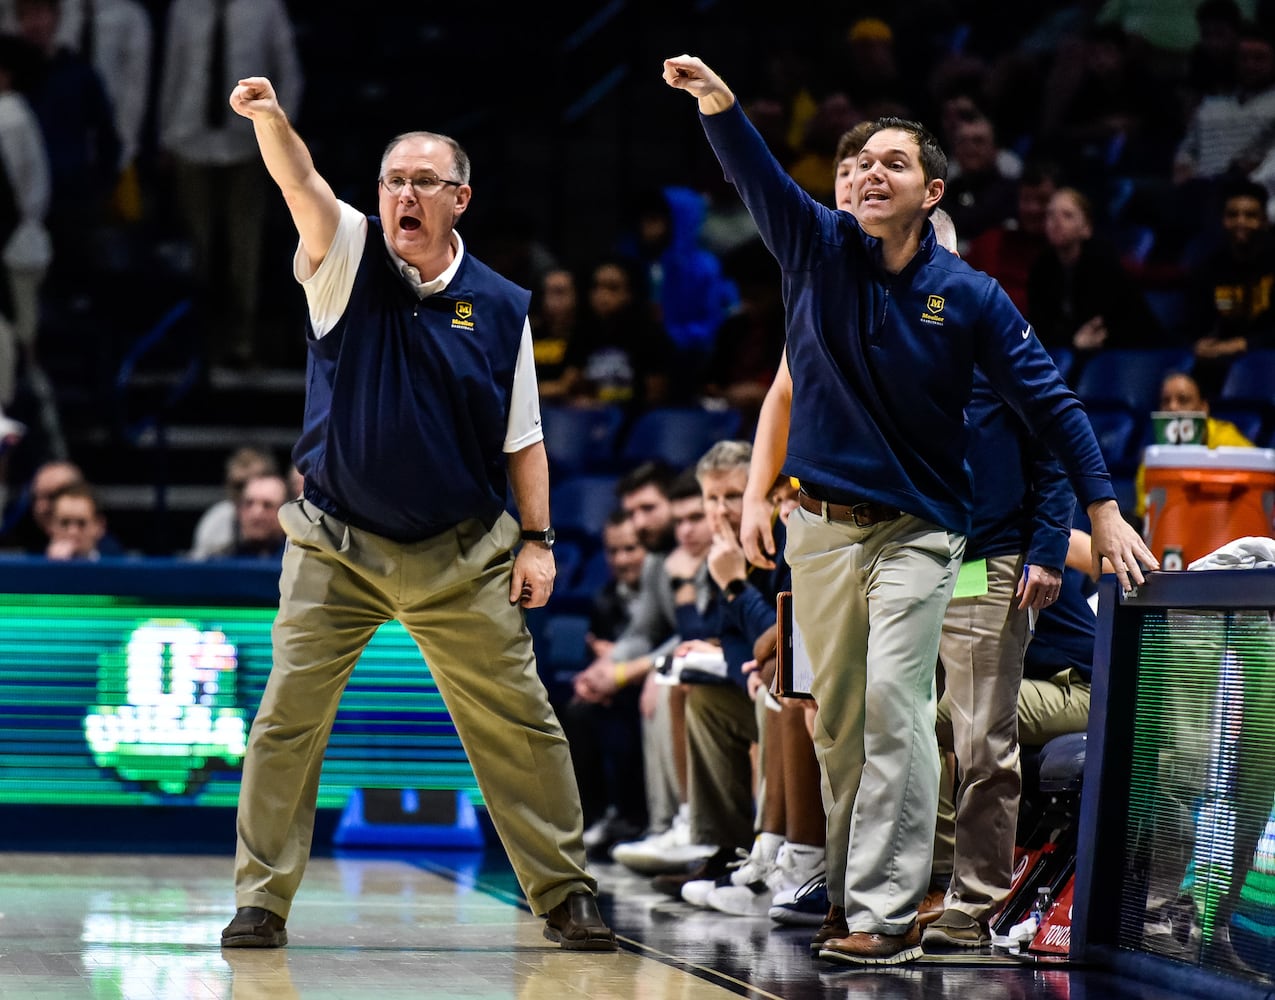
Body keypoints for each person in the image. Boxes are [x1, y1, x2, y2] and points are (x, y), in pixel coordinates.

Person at [663, 53, 1154, 966]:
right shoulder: (812, 249)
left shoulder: (968, 297)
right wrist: (720, 109)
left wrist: (1103, 505)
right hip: (817, 528)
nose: (865, 174)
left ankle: (886, 916)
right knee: (839, 722)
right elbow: (757, 177)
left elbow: (1052, 408)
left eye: (890, 162)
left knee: (897, 704)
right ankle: (850, 891)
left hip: (923, 534)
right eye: (853, 164)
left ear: (930, 191)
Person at [219, 76, 614, 951]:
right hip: (336, 543)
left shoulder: (505, 306)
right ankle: (261, 901)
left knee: (522, 725)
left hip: (463, 552)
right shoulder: (345, 256)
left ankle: (563, 893)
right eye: (393, 179)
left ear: (459, 199)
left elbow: (525, 439)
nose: (403, 193)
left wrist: (539, 542)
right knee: (285, 718)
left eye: (423, 181)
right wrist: (271, 121)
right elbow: (299, 184)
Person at [158, 0, 302, 369]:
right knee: (196, 247)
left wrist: (281, 136)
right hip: (189, 137)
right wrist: (164, 134)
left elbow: (288, 72)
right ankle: (196, 339)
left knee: (244, 247)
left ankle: (241, 340)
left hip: (248, 142)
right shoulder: (184, 8)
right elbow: (173, 68)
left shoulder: (265, 8)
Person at [1026, 186, 1161, 378]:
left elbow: (1102, 325)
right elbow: (1038, 326)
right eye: (1050, 215)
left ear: (1086, 228)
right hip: (1074, 350)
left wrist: (1071, 339)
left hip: (1131, 350)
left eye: (1067, 215)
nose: (1056, 222)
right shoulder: (1042, 267)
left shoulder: (1103, 262)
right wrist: (1072, 339)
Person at [1186, 177, 1275, 398]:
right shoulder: (1208, 268)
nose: (1240, 222)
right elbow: (1194, 323)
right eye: (1232, 215)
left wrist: (1241, 344)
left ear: (1265, 221)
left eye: (1250, 215)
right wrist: (1199, 343)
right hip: (1220, 363)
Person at [1133, 371, 1256, 519]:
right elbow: (1145, 512)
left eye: (1183, 400)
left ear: (1203, 407)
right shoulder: (1154, 456)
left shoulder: (1227, 440)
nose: (1172, 407)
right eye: (1166, 401)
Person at [188, 445, 279, 560]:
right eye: (238, 486)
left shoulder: (292, 523)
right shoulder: (216, 521)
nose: (246, 492)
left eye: (267, 505)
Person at [208, 471, 287, 561]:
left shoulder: (300, 565)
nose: (256, 513)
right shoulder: (219, 561)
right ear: (239, 510)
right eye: (249, 504)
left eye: (267, 505)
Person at [43, 480, 105, 559]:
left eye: (81, 523)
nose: (72, 531)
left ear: (99, 526)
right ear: (50, 525)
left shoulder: (117, 569)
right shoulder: (31, 569)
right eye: (64, 523)